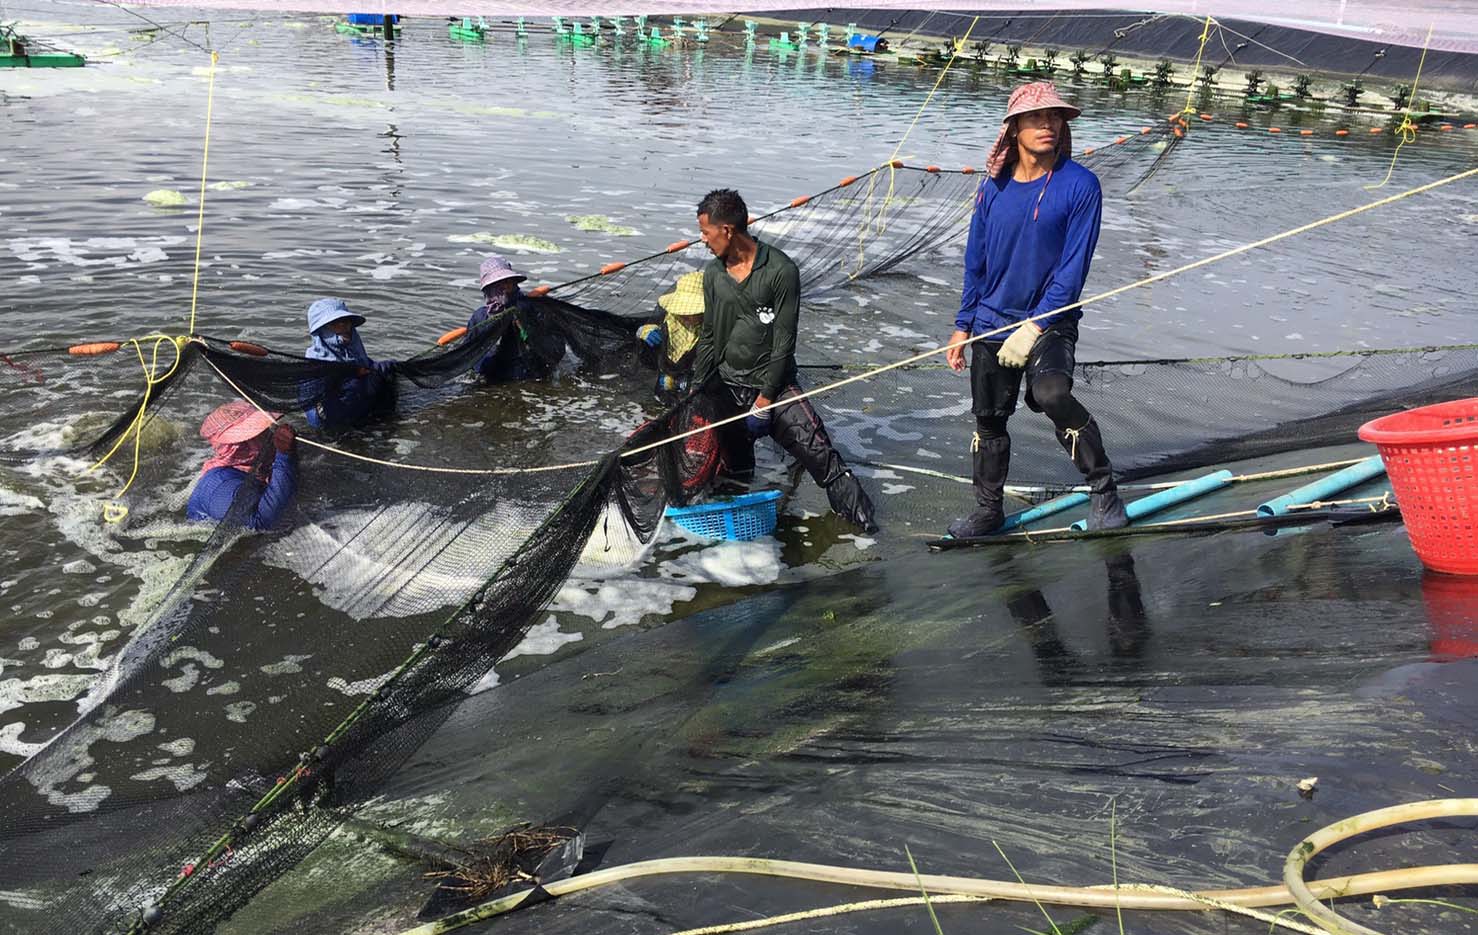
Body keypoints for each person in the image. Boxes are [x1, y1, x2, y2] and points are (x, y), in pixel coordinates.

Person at [945, 82, 1129, 537]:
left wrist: (1035, 325)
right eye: (1036, 118)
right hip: (991, 319)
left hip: (1051, 322)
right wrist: (963, 325)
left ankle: (1104, 491)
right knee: (989, 419)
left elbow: (1073, 270)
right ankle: (988, 510)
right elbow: (977, 261)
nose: (1047, 125)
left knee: (1051, 396)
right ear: (1013, 128)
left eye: (1055, 118)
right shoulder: (994, 188)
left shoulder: (1080, 185)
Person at [691, 188, 877, 533]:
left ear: (727, 230)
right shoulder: (713, 274)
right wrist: (696, 389)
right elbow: (709, 337)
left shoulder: (780, 270)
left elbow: (783, 342)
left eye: (705, 232)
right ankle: (734, 535)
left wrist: (764, 399)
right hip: (728, 387)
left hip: (773, 389)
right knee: (732, 469)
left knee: (821, 455)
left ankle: (865, 530)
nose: (702, 240)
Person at [186, 400, 297, 531]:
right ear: (237, 447)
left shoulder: (254, 468)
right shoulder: (220, 487)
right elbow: (259, 523)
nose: (270, 435)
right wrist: (284, 457)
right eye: (260, 434)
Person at [466, 255, 566, 383]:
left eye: (509, 282)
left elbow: (556, 349)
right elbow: (469, 355)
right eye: (498, 284)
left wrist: (526, 327)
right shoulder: (480, 317)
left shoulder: (533, 310)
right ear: (488, 289)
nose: (505, 287)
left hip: (530, 376)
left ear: (515, 283)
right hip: (494, 378)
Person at [303, 297, 397, 430]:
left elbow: (368, 366)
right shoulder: (314, 363)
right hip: (333, 423)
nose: (343, 326)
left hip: (362, 417)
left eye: (346, 321)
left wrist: (383, 368)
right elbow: (311, 407)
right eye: (334, 323)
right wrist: (349, 374)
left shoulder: (355, 352)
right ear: (321, 331)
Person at [636, 270, 706, 404]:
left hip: (694, 378)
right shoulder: (668, 318)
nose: (688, 316)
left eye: (693, 312)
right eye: (684, 312)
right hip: (667, 373)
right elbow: (647, 359)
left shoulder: (713, 325)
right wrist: (642, 333)